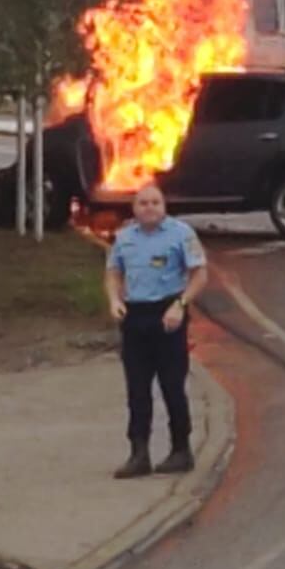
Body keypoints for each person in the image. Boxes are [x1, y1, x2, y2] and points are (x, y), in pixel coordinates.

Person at [105, 183, 208, 479]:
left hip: (168, 314)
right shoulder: (124, 238)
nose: (149, 208)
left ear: (164, 206)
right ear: (134, 208)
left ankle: (180, 449)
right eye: (143, 203)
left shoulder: (181, 234)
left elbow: (200, 273)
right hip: (135, 315)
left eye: (155, 202)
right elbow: (113, 272)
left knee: (172, 386)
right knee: (137, 389)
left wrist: (181, 304)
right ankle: (139, 453)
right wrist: (114, 300)